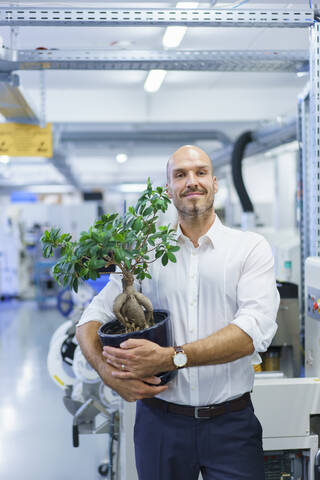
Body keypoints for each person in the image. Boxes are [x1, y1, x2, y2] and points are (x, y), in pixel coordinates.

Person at [76, 145, 280, 480]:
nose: (192, 181)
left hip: (232, 425)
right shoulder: (145, 253)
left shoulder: (250, 248)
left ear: (215, 183)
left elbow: (251, 331)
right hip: (161, 423)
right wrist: (105, 372)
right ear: (168, 189)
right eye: (180, 175)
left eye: (200, 172)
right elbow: (90, 318)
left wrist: (171, 358)